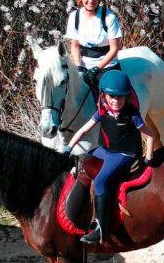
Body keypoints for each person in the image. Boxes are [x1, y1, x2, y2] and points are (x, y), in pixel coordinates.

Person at [66, 71, 153, 244]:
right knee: (82, 161)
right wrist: (68, 148)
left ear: (126, 97)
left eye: (120, 97)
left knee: (100, 181)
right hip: (105, 150)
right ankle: (81, 210)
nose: (116, 101)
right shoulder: (102, 112)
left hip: (124, 153)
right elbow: (83, 130)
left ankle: (102, 229)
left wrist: (148, 158)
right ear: (104, 95)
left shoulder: (132, 114)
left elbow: (149, 135)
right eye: (112, 96)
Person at [65, 0, 123, 97]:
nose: (90, 0)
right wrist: (79, 67)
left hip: (106, 65)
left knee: (113, 99)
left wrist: (97, 68)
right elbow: (74, 46)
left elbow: (114, 48)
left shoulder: (109, 18)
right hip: (84, 65)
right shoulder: (74, 17)